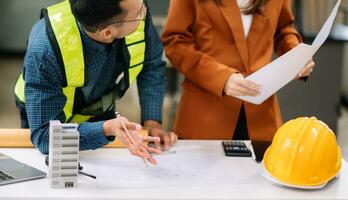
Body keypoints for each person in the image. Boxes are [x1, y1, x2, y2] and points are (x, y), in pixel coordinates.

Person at [14, 0, 177, 164]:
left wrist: (152, 125)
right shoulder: (44, 50)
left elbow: (152, 65)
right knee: (50, 171)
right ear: (107, 33)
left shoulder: (133, 6)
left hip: (98, 105)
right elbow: (45, 136)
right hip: (49, 113)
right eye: (139, 13)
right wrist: (106, 129)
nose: (144, 11)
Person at [161, 0, 315, 142]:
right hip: (206, 118)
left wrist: (296, 54)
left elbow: (284, 29)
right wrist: (221, 78)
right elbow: (175, 43)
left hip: (261, 119)